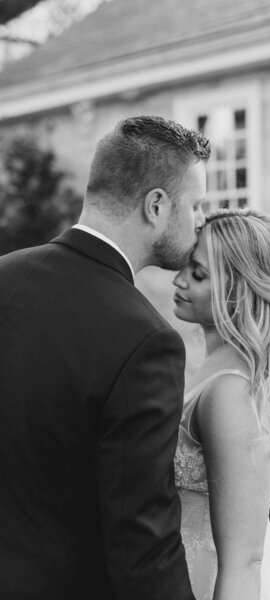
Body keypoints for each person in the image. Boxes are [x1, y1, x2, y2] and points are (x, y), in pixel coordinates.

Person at [0, 115, 210, 600]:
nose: (200, 219)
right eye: (195, 205)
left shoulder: (4, 275)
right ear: (156, 205)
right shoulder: (144, 341)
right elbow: (142, 544)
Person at [173, 208, 270, 600]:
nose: (179, 279)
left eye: (198, 274)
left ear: (239, 289)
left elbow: (243, 561)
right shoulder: (211, 366)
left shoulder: (231, 392)